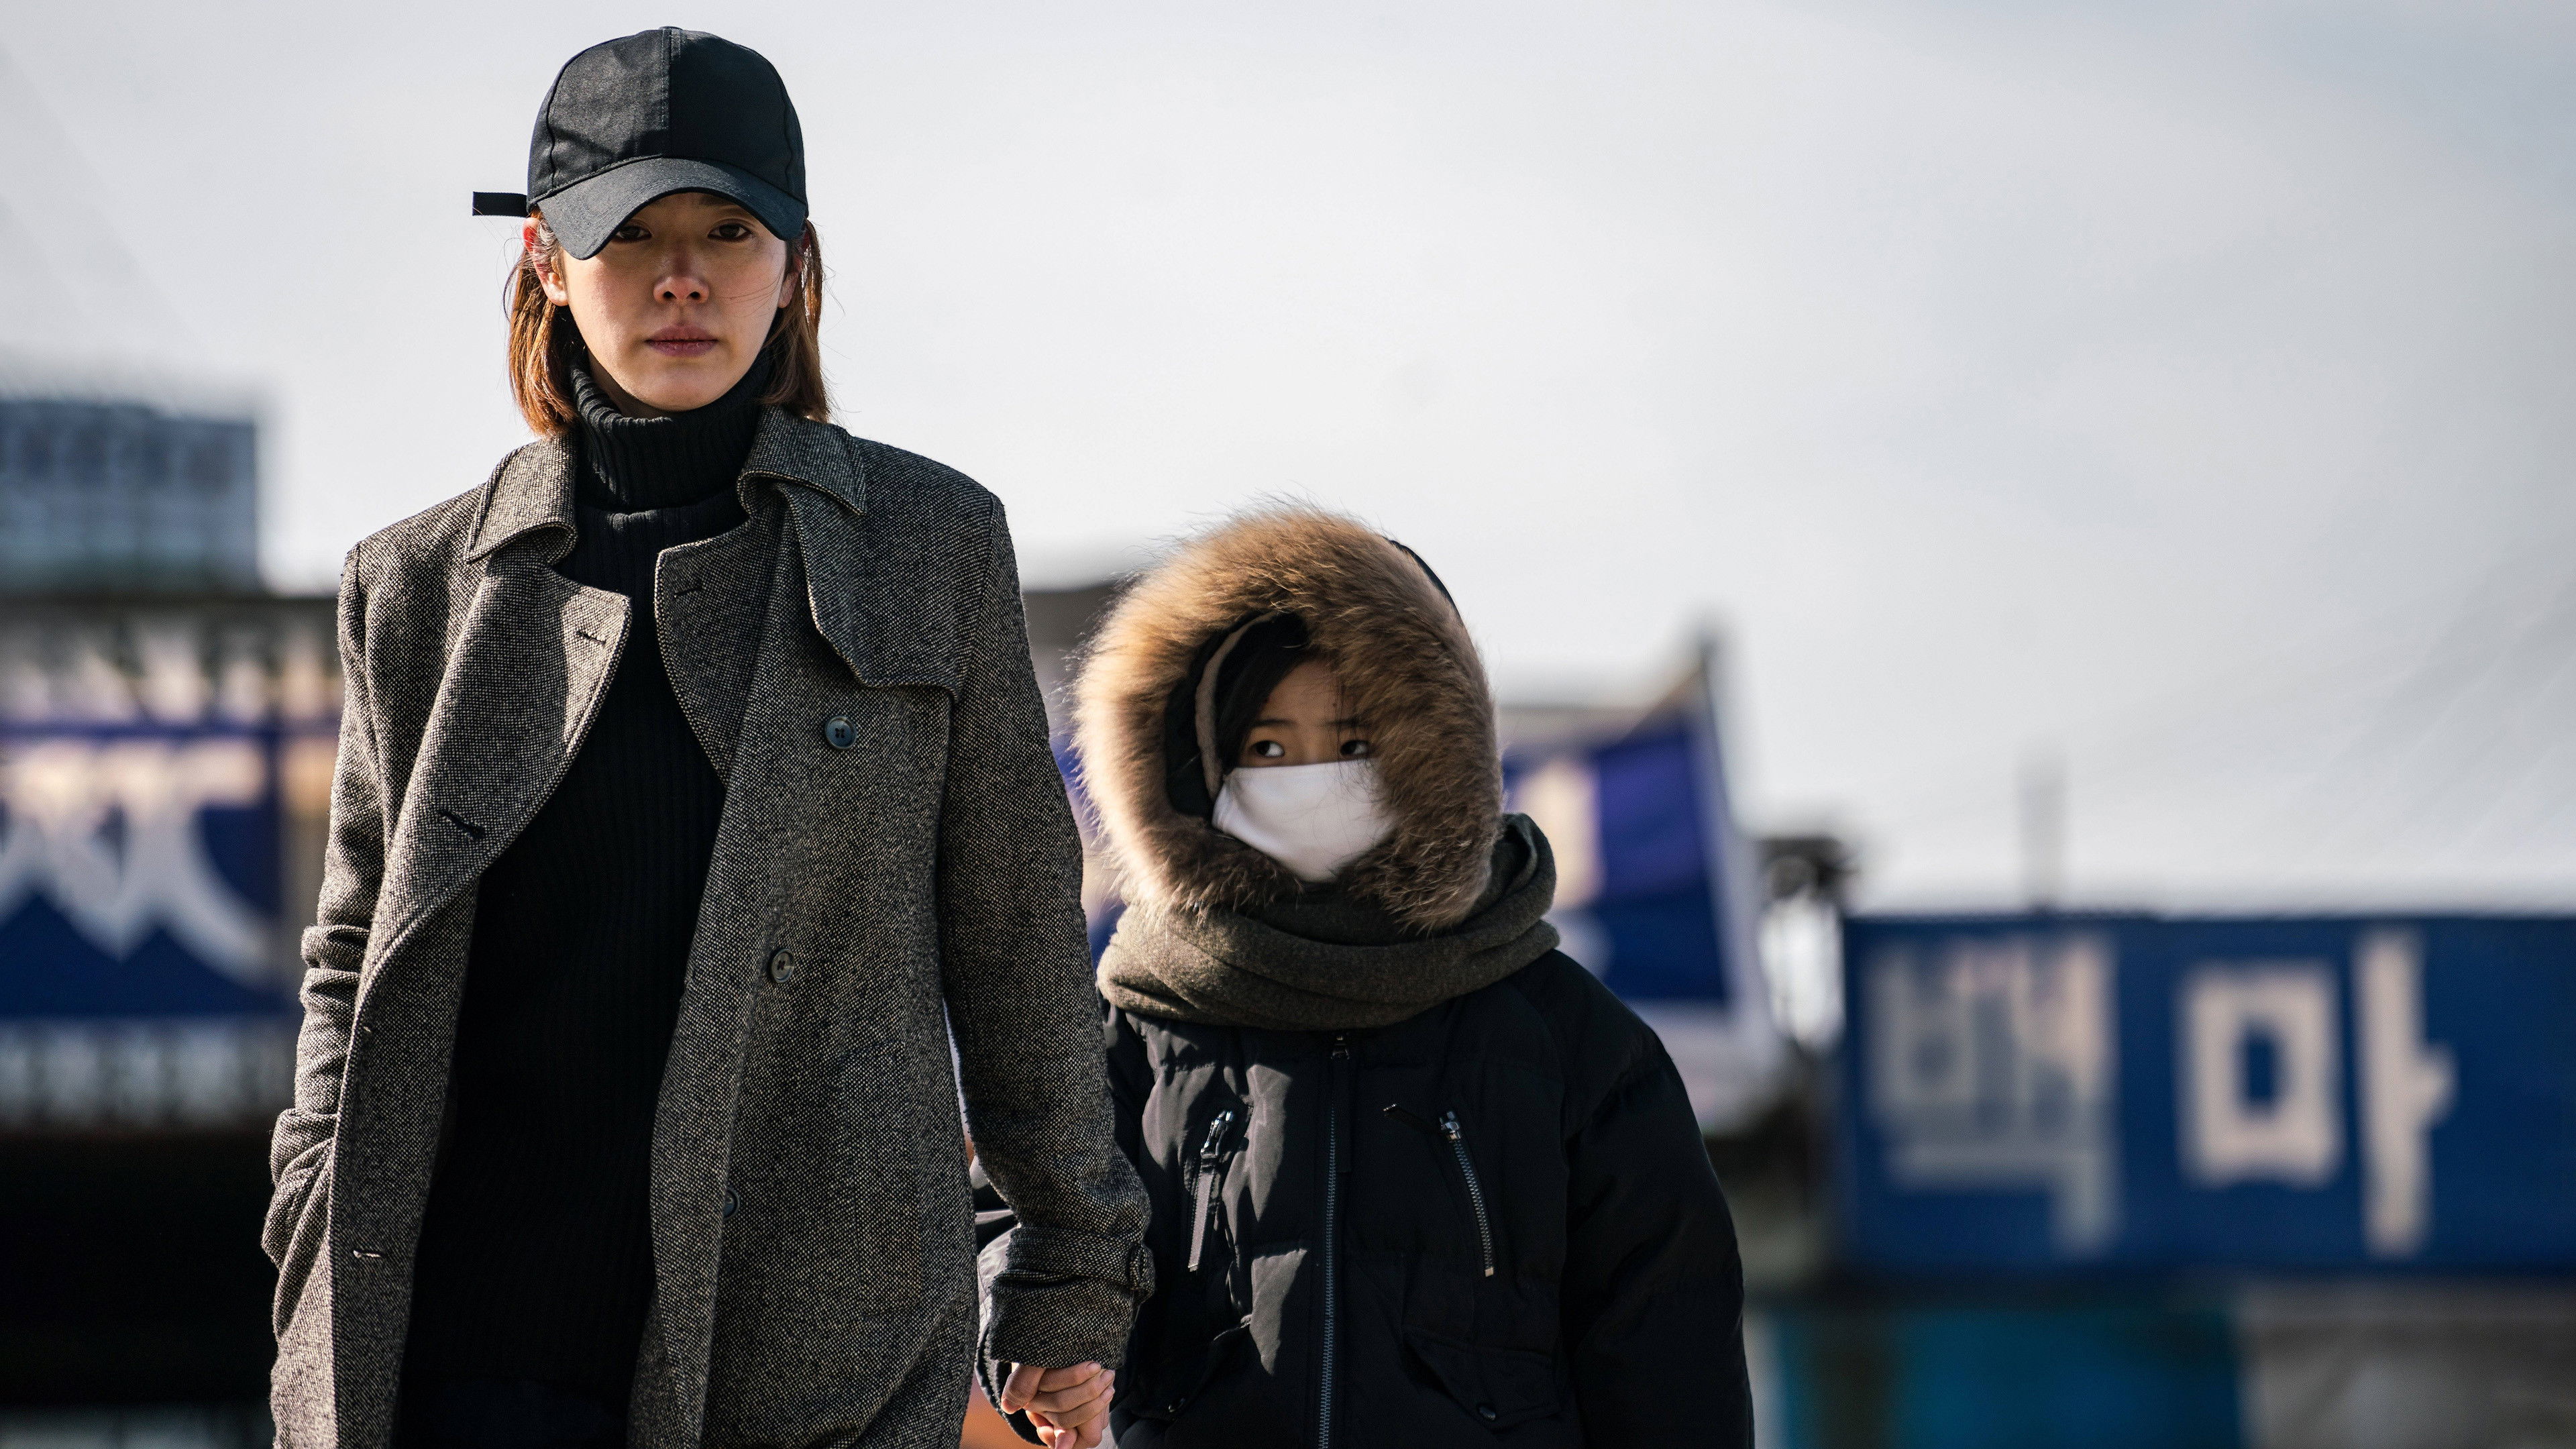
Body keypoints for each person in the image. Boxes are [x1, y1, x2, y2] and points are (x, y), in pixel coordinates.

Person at [262, 30, 1144, 1449]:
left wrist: (1067, 1275)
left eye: (728, 233)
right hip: (470, 1358)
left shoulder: (928, 544)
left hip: (817, 1350)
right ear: (547, 260)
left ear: (795, 263)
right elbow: (356, 951)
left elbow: (1016, 940)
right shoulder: (416, 586)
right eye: (630, 234)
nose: (682, 278)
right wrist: (312, 1200)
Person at [976, 506, 1753, 1445]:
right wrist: (1044, 1339)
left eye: (1352, 746)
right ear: (1196, 765)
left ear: (1434, 759)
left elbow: (1672, 1356)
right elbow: (1017, 1211)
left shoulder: (1566, 1038)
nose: (1310, 779)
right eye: (1267, 749)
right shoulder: (1136, 1027)